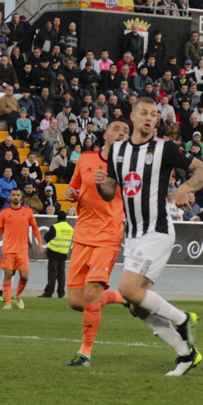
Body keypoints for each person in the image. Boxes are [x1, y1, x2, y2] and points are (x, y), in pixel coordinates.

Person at [94, 98, 203, 375]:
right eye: (143, 113)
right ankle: (186, 354)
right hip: (132, 235)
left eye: (154, 115)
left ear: (157, 121)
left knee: (128, 290)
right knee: (138, 306)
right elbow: (111, 191)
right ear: (133, 118)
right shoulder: (117, 150)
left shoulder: (165, 148)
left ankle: (183, 319)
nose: (149, 118)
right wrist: (101, 185)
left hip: (157, 230)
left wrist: (185, 186)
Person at [62, 118, 130, 366]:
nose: (122, 133)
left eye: (126, 131)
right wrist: (71, 194)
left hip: (109, 236)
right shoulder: (85, 158)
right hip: (82, 235)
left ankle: (85, 353)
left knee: (91, 294)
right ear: (106, 135)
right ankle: (123, 297)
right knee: (76, 302)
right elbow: (73, 189)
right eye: (117, 129)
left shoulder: (129, 167)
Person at [0, 187, 43, 309]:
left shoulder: (28, 212)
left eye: (18, 195)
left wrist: (39, 242)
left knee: (24, 277)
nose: (15, 197)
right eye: (13, 195)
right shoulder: (4, 212)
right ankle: (8, 302)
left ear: (21, 197)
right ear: (10, 196)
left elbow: (35, 227)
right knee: (8, 274)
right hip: (8, 249)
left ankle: (17, 294)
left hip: (22, 250)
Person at [40, 211, 73, 299]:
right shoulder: (70, 228)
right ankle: (61, 293)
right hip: (63, 253)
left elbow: (46, 238)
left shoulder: (55, 227)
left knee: (52, 273)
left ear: (58, 217)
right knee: (61, 274)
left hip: (53, 253)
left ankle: (48, 292)